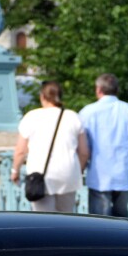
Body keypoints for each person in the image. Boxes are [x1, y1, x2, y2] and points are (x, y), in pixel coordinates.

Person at [11, 81, 89, 213]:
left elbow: (20, 150)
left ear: (42, 96)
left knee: (44, 221)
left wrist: (15, 171)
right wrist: (79, 169)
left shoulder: (31, 117)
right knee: (67, 218)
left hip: (41, 175)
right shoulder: (73, 117)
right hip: (68, 174)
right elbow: (84, 152)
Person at [79, 73, 128, 217]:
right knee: (121, 216)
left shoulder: (88, 111)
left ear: (98, 90)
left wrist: (80, 166)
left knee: (99, 219)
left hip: (99, 173)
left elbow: (81, 144)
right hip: (124, 171)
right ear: (117, 90)